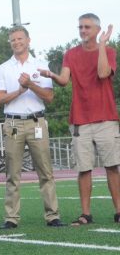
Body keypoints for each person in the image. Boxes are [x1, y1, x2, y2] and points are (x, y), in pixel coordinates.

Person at [40, 14, 120, 225]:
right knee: (84, 169)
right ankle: (86, 214)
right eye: (80, 27)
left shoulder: (109, 52)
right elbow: (65, 80)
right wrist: (52, 75)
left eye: (87, 27)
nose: (83, 30)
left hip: (106, 118)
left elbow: (103, 73)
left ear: (97, 30)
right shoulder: (71, 54)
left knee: (112, 166)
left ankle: (119, 211)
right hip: (80, 120)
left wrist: (102, 45)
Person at [0, 27, 64, 229]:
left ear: (28, 40)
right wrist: (20, 90)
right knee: (12, 172)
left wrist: (31, 85)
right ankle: (11, 218)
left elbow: (49, 97)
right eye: (12, 39)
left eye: (20, 38)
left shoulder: (41, 66)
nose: (16, 42)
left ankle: (53, 215)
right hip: (13, 123)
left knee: (45, 171)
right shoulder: (4, 68)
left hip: (37, 121)